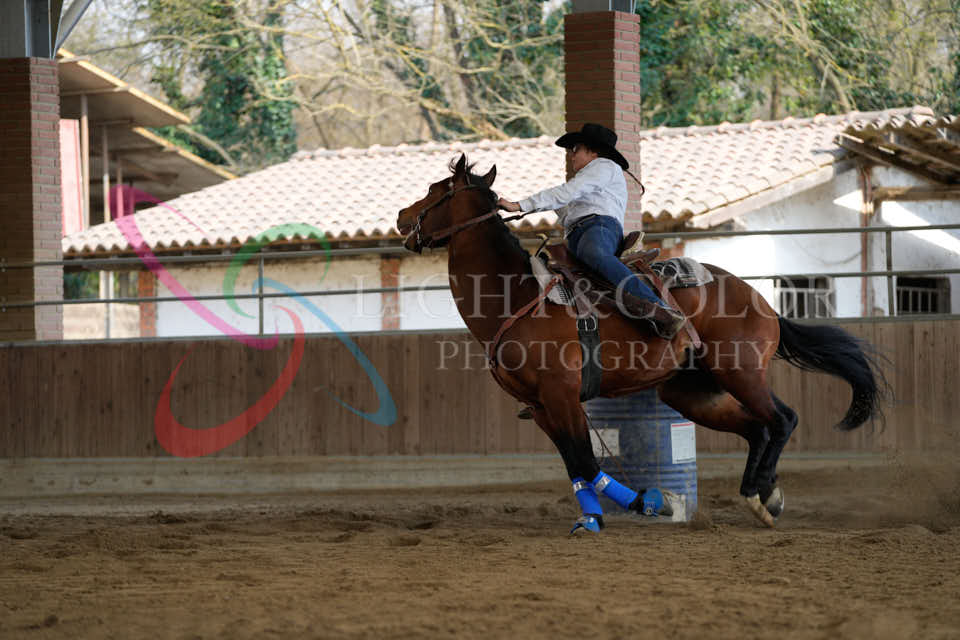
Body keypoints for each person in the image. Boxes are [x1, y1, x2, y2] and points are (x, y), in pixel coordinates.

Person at [497, 123, 686, 339]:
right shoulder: (588, 181)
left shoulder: (604, 166)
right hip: (580, 234)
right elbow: (563, 203)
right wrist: (534, 206)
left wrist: (519, 205)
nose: (572, 155)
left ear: (594, 151)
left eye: (576, 149)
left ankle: (660, 309)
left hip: (598, 229)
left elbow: (565, 193)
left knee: (596, 254)